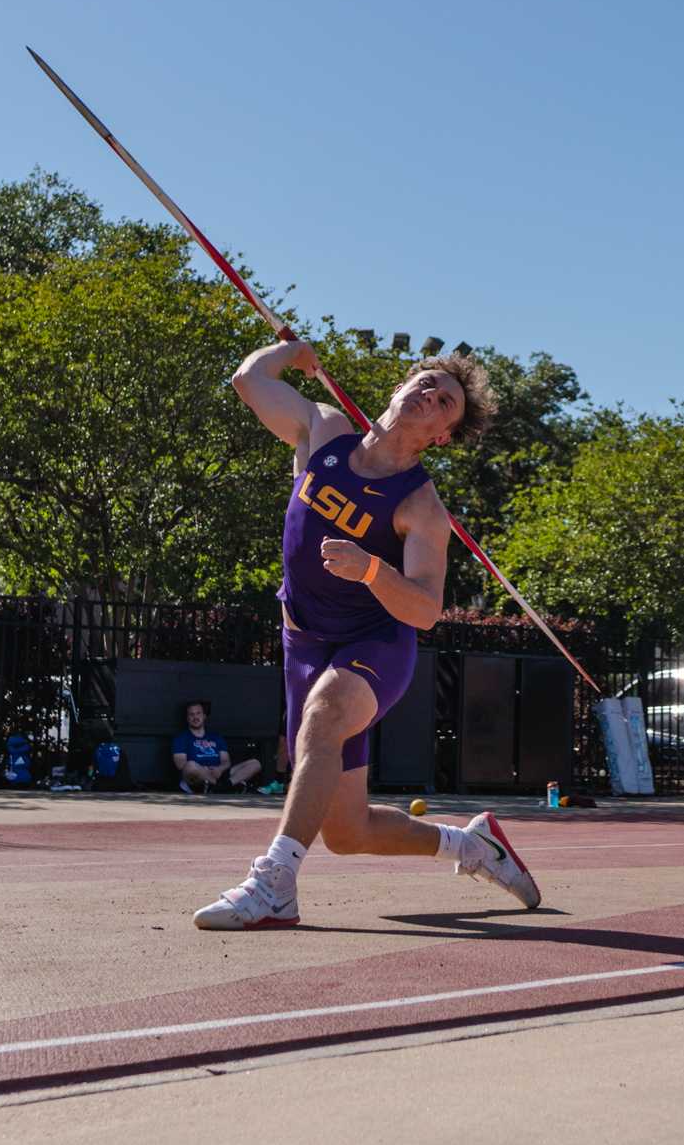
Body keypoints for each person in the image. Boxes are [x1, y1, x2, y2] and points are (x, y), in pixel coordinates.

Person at [193, 340, 537, 931]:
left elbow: (426, 610)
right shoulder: (323, 431)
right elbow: (249, 381)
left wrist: (372, 568)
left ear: (442, 436)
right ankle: (472, 847)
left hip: (375, 641)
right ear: (402, 387)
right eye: (426, 383)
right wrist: (290, 351)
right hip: (303, 640)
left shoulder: (421, 507)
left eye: (444, 402)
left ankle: (274, 885)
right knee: (347, 833)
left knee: (324, 716)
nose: (429, 396)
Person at [172, 699, 262, 793]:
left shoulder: (216, 737)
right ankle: (221, 786)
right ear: (187, 718)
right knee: (190, 766)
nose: (195, 717)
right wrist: (204, 770)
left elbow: (226, 761)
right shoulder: (181, 738)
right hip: (197, 777)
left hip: (219, 774)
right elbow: (181, 765)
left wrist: (219, 769)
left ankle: (224, 786)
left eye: (198, 713)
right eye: (191, 714)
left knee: (255, 763)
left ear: (204, 716)